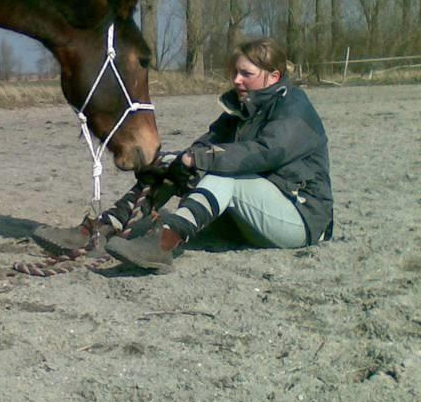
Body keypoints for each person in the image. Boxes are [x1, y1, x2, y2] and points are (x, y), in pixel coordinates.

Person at [33, 37, 333, 273]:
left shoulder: (294, 109)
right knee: (178, 165)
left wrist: (200, 159)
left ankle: (164, 243)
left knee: (220, 174)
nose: (237, 80)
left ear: (273, 76)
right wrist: (169, 163)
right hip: (255, 219)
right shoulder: (241, 111)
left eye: (246, 74)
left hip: (300, 218)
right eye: (235, 72)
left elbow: (265, 153)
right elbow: (202, 149)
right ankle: (103, 227)